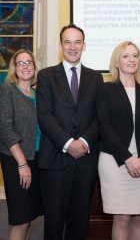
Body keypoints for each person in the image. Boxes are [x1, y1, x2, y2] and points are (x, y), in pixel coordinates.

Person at [36, 24, 104, 240]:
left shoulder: (96, 77)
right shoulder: (46, 76)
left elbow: (98, 116)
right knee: (54, 223)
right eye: (67, 42)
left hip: (86, 160)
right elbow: (44, 115)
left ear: (84, 46)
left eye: (77, 42)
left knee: (80, 221)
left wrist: (83, 142)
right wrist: (68, 143)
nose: (72, 47)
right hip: (55, 159)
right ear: (60, 45)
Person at [96, 41, 140, 240]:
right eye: (126, 56)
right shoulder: (105, 90)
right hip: (114, 161)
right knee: (121, 218)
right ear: (116, 61)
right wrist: (127, 158)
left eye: (135, 55)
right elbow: (104, 127)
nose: (132, 60)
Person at [0, 49, 43, 240]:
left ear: (34, 67)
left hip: (38, 158)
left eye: (28, 62)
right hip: (17, 159)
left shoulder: (37, 93)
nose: (25, 66)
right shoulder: (7, 90)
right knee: (21, 218)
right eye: (20, 63)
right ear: (14, 68)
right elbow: (6, 129)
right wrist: (22, 163)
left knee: (29, 216)